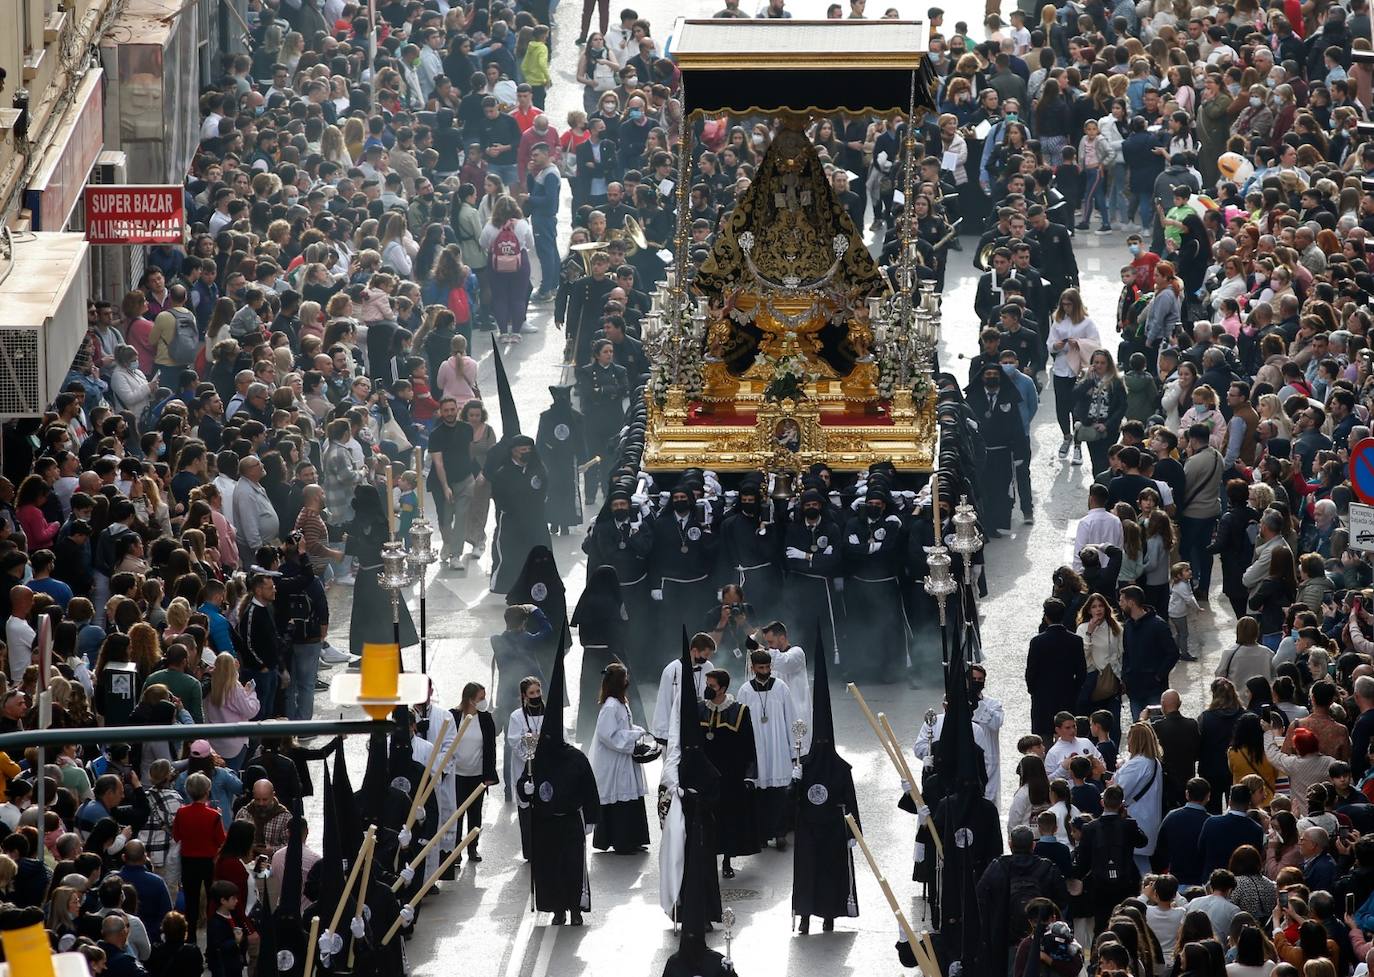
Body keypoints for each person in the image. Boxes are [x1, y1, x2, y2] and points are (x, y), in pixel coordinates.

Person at [527, 637, 599, 926]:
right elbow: (525, 784)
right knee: (550, 868)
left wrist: (591, 817)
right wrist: (525, 788)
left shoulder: (574, 758)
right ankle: (557, 909)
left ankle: (575, 909)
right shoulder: (538, 757)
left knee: (572, 866)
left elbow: (589, 788)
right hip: (545, 822)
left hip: (569, 821)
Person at [735, 649, 797, 853]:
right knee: (759, 795)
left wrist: (794, 750)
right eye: (761, 668)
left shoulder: (781, 688)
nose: (765, 671)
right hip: (757, 747)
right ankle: (761, 835)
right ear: (753, 668)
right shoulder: (745, 690)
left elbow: (791, 718)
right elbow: (740, 723)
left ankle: (780, 833)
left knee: (779, 793)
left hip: (778, 746)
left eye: (768, 667)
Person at [700, 667, 759, 880]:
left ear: (722, 688)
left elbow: (748, 745)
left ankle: (726, 860)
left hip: (730, 774)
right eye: (707, 685)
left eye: (712, 686)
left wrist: (749, 775)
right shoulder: (699, 709)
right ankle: (706, 860)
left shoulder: (739, 711)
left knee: (728, 818)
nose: (708, 689)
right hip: (706, 774)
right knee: (706, 818)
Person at [589, 662, 649, 853]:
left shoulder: (621, 703)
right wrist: (632, 737)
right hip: (613, 760)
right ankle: (621, 841)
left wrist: (637, 731)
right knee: (620, 800)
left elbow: (624, 728)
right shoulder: (610, 706)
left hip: (624, 759)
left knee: (631, 798)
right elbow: (607, 735)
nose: (627, 681)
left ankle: (633, 838)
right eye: (625, 678)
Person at [427, 396, 478, 571]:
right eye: (446, 410)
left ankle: (456, 554)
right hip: (442, 483)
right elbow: (438, 463)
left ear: (457, 410)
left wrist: (470, 472)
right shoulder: (436, 434)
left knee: (462, 517)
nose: (449, 413)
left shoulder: (466, 429)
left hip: (465, 480)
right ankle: (447, 543)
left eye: (452, 409)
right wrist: (445, 486)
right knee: (445, 519)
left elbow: (470, 451)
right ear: (441, 412)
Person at [1026, 598, 1086, 741]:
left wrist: (1034, 690)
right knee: (1068, 739)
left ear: (1046, 617)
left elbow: (1031, 672)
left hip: (1043, 699)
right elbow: (1082, 672)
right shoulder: (1075, 640)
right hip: (1067, 696)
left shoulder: (1037, 642)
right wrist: (1073, 690)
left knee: (1044, 740)